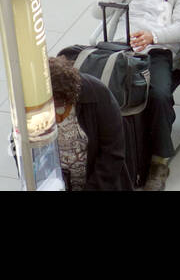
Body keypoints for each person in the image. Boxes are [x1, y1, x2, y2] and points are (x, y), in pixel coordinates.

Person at [95, 0, 180, 191]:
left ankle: (159, 161)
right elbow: (99, 11)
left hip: (156, 50)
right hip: (121, 46)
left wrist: (154, 36)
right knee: (100, 90)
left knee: (160, 95)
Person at [46, 56, 131, 191]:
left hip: (99, 184)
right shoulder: (32, 108)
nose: (56, 117)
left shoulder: (97, 94)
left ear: (70, 98)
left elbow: (112, 153)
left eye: (60, 109)